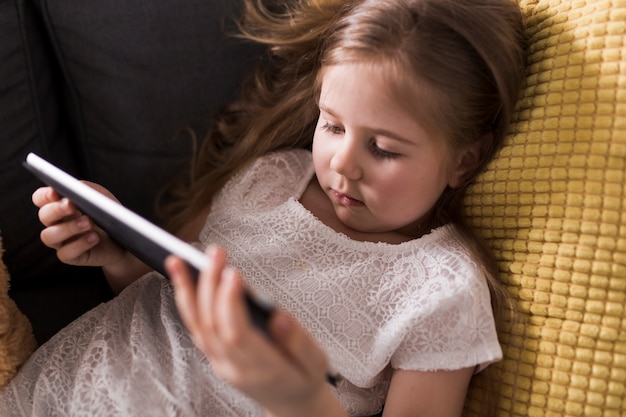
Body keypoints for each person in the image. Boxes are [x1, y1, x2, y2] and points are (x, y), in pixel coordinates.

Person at [0, 0, 527, 416]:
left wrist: (297, 398)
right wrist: (117, 253)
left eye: (383, 148)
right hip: (48, 396)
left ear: (464, 160)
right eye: (333, 125)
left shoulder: (442, 291)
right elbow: (171, 303)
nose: (343, 163)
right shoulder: (271, 177)